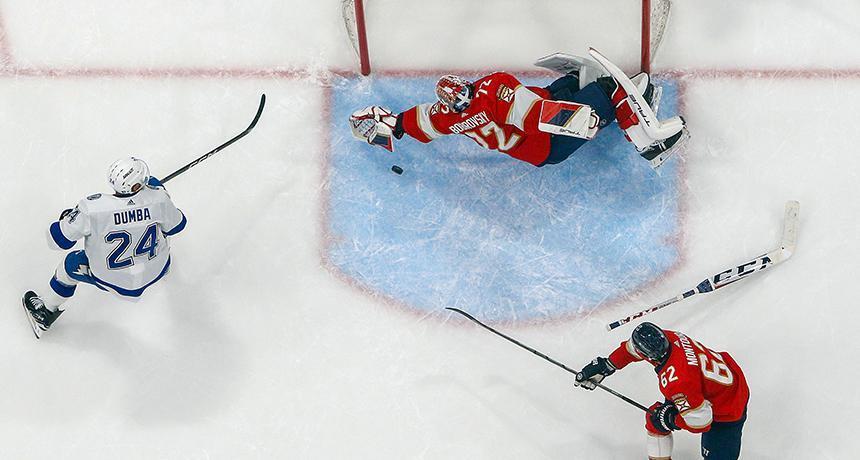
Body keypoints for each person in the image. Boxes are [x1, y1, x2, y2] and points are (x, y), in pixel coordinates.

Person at [348, 53, 687, 169]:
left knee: (570, 86)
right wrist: (584, 118)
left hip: (530, 145)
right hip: (549, 144)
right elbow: (534, 114)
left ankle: (579, 89)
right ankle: (650, 143)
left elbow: (417, 121)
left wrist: (391, 124)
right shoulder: (493, 91)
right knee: (610, 90)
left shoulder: (446, 116)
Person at [21, 157, 187, 338]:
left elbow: (57, 241)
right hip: (157, 269)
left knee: (70, 265)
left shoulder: (92, 208)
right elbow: (178, 225)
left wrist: (70, 217)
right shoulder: (159, 199)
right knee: (164, 229)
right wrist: (160, 194)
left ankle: (45, 312)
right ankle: (165, 270)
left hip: (111, 279)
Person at [575, 322, 749, 460]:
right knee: (654, 419)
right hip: (716, 379)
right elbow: (631, 349)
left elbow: (701, 422)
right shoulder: (668, 337)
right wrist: (608, 365)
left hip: (727, 407)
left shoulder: (677, 382)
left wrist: (670, 419)